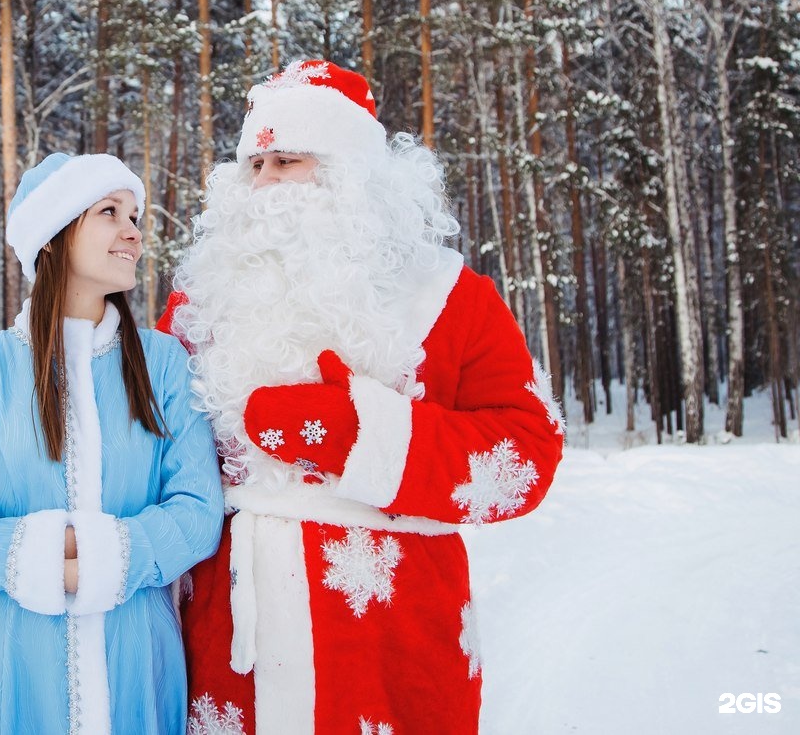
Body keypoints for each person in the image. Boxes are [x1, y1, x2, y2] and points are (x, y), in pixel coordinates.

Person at [157, 60, 565, 735]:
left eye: (285, 161)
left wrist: (364, 437)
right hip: (229, 653)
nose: (263, 186)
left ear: (350, 177)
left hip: (393, 649)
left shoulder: (450, 298)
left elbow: (528, 456)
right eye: (253, 166)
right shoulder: (198, 307)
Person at [0, 152, 224, 735]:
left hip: (138, 663)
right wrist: (39, 559)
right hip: (11, 667)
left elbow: (199, 513)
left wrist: (109, 556)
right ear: (53, 237)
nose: (134, 231)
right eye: (110, 212)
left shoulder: (164, 365)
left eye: (135, 214)